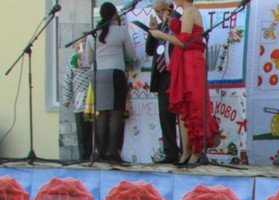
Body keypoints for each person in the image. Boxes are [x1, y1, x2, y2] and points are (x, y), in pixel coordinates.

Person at [149, 0, 220, 166]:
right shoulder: (184, 13)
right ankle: (186, 151)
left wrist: (161, 35)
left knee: (193, 105)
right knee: (183, 108)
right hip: (183, 60)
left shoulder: (190, 12)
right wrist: (169, 23)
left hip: (191, 60)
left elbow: (184, 41)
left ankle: (196, 151)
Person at [84, 2, 135, 164]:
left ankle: (101, 151)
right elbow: (132, 54)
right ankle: (112, 151)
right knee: (116, 113)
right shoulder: (121, 31)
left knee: (102, 113)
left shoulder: (93, 34)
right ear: (114, 15)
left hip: (99, 75)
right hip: (115, 73)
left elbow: (89, 60)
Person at [145, 0, 180, 164]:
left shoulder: (178, 21)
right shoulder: (159, 27)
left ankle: (187, 152)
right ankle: (170, 152)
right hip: (161, 75)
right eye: (157, 11)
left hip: (175, 73)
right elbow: (149, 51)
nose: (160, 14)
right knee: (165, 116)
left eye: (162, 10)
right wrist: (151, 31)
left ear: (170, 7)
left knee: (181, 114)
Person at [60, 43, 93, 161]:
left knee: (96, 130)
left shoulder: (94, 59)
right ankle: (84, 156)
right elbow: (67, 80)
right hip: (80, 101)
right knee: (82, 130)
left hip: (94, 100)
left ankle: (96, 154)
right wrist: (66, 98)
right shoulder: (72, 62)